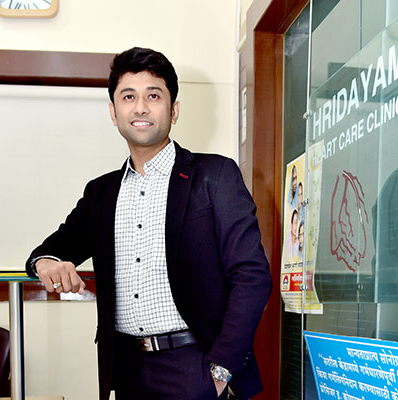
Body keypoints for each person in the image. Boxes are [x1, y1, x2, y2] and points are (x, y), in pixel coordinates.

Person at [26, 47, 272, 400]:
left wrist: (220, 371)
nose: (140, 107)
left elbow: (252, 275)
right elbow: (50, 249)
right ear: (114, 113)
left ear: (174, 110)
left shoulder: (214, 175)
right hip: (127, 369)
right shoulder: (101, 193)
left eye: (153, 96)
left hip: (197, 364)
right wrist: (47, 263)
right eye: (128, 97)